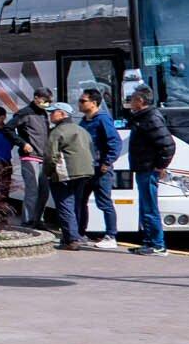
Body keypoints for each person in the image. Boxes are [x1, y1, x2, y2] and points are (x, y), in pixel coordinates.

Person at [123, 82, 175, 255]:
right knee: (145, 206)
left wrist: (160, 166)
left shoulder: (150, 118)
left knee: (150, 206)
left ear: (140, 100)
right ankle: (149, 242)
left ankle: (158, 244)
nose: (129, 102)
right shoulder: (142, 117)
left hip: (148, 169)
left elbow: (168, 145)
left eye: (132, 99)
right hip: (143, 167)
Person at [43, 102, 99, 249]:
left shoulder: (57, 131)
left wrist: (48, 173)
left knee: (65, 205)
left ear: (62, 114)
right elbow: (92, 150)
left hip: (65, 173)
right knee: (76, 204)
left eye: (52, 112)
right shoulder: (82, 130)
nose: (50, 115)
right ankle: (77, 234)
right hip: (85, 172)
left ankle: (72, 239)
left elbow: (50, 156)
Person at [77, 88, 122, 241]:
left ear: (94, 103)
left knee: (104, 202)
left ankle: (111, 235)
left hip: (100, 169)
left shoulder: (103, 119)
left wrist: (107, 162)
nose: (79, 104)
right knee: (80, 201)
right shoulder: (84, 120)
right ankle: (80, 233)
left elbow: (115, 141)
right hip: (86, 168)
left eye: (83, 101)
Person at [10, 88, 56, 228]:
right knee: (32, 190)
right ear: (36, 98)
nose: (47, 104)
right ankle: (28, 221)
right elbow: (8, 129)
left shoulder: (43, 113)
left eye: (49, 101)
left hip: (43, 158)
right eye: (45, 101)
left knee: (44, 192)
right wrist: (23, 143)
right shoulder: (25, 113)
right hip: (30, 157)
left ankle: (38, 219)